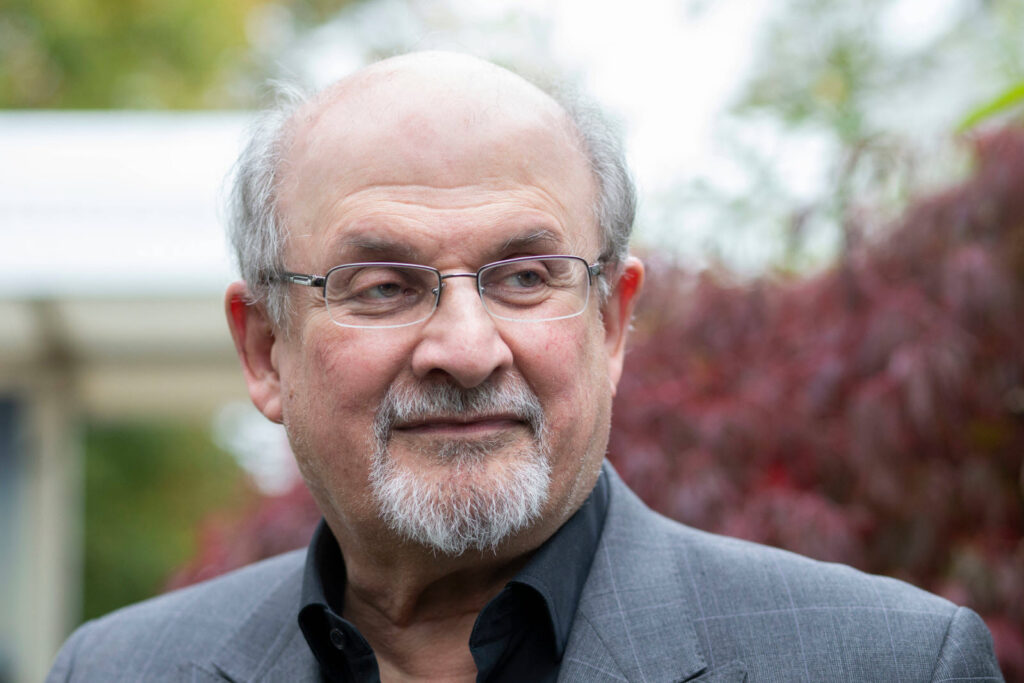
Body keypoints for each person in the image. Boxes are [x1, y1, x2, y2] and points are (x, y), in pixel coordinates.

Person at [48, 51, 1003, 682]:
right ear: (265, 349)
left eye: (524, 277)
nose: (467, 349)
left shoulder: (889, 663)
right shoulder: (118, 669)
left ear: (612, 322)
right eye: (382, 286)